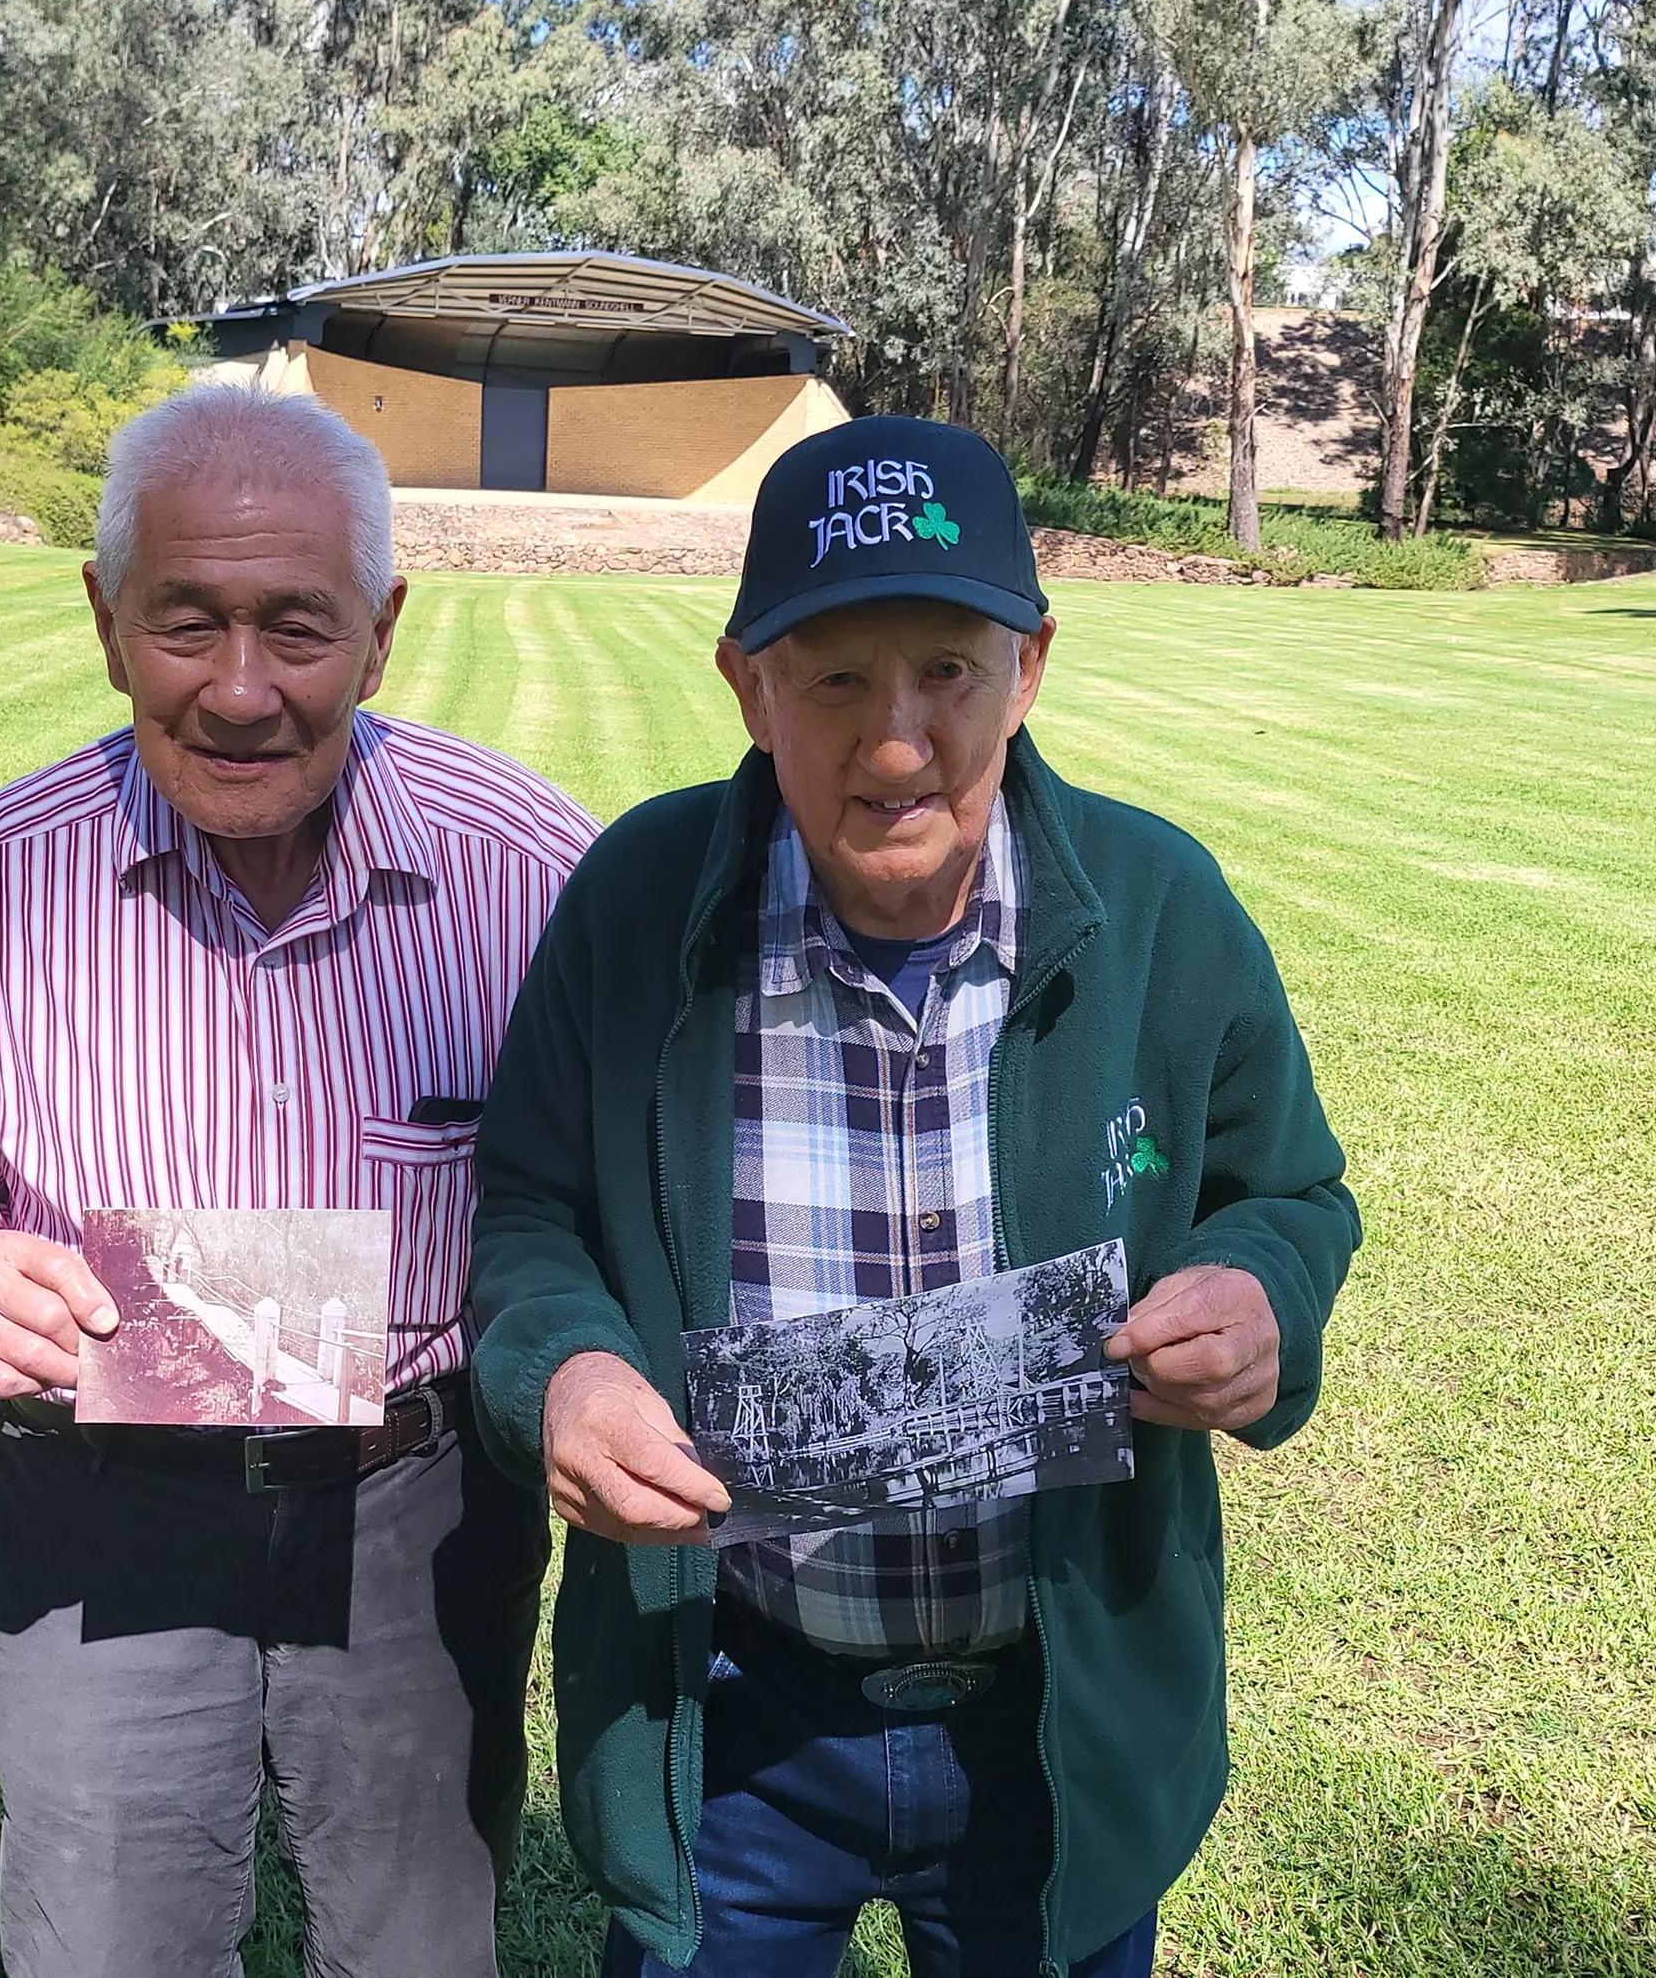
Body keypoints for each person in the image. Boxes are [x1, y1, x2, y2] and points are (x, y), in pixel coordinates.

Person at [467, 416, 1361, 1978]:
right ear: (746, 685)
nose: (896, 744)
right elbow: (528, 1214)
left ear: (1029, 667)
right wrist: (568, 1373)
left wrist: (1261, 1298)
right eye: (833, 680)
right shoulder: (637, 904)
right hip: (726, 1711)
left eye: (947, 671)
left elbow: (1285, 1190)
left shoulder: (1159, 908)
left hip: (1054, 1716)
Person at [0, 383, 599, 1977]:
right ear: (107, 623)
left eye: (297, 630)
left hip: (420, 1511)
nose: (240, 692)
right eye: (186, 624)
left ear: (382, 633)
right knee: (107, 1942)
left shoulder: (527, 869)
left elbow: (606, 1198)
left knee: (419, 1947)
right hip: (100, 1509)